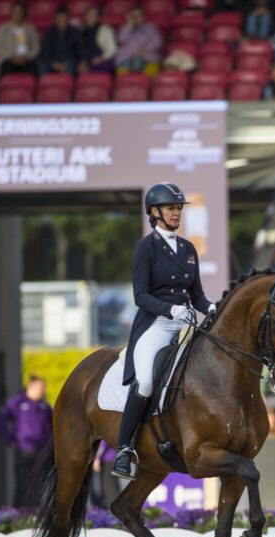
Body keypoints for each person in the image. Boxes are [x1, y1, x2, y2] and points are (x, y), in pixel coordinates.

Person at [113, 183, 215, 480]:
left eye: (179, 208)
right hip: (156, 323)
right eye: (171, 208)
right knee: (145, 381)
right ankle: (124, 450)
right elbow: (140, 296)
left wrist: (210, 308)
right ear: (155, 212)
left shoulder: (188, 248)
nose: (176, 213)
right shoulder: (145, 248)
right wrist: (170, 310)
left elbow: (196, 295)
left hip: (186, 321)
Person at [0, 375, 53, 503]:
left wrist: (49, 441)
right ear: (31, 387)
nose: (43, 390)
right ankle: (19, 513)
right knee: (23, 483)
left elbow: (55, 424)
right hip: (24, 450)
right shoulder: (18, 402)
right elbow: (0, 421)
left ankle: (35, 514)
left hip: (41, 451)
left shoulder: (44, 405)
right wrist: (11, 440)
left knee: (38, 484)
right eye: (41, 387)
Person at [0, 2, 40, 77]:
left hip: (27, 59)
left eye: (20, 12)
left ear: (23, 13)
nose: (18, 14)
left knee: (33, 70)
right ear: (11, 13)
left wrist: (28, 57)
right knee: (6, 69)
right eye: (15, 12)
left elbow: (36, 48)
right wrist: (11, 56)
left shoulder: (31, 28)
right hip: (9, 59)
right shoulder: (3, 28)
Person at [115, 7, 163, 75]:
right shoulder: (125, 28)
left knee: (150, 74)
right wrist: (129, 25)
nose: (136, 18)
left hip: (148, 58)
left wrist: (144, 49)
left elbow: (158, 42)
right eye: (134, 16)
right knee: (122, 76)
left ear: (143, 16)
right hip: (127, 59)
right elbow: (121, 40)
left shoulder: (151, 27)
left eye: (139, 15)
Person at [40, 8, 82, 76]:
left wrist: (82, 60)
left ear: (68, 20)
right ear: (55, 19)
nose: (62, 21)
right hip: (53, 61)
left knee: (71, 67)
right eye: (60, 18)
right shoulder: (49, 32)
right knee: (42, 68)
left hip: (69, 61)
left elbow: (79, 49)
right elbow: (46, 51)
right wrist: (56, 65)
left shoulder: (74, 32)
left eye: (64, 19)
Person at [79, 6, 117, 74]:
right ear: (85, 16)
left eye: (94, 15)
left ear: (98, 17)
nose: (91, 17)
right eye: (89, 14)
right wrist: (83, 61)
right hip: (88, 58)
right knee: (78, 67)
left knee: (110, 64)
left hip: (103, 57)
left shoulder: (105, 29)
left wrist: (101, 58)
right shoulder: (81, 31)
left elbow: (112, 49)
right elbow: (81, 50)